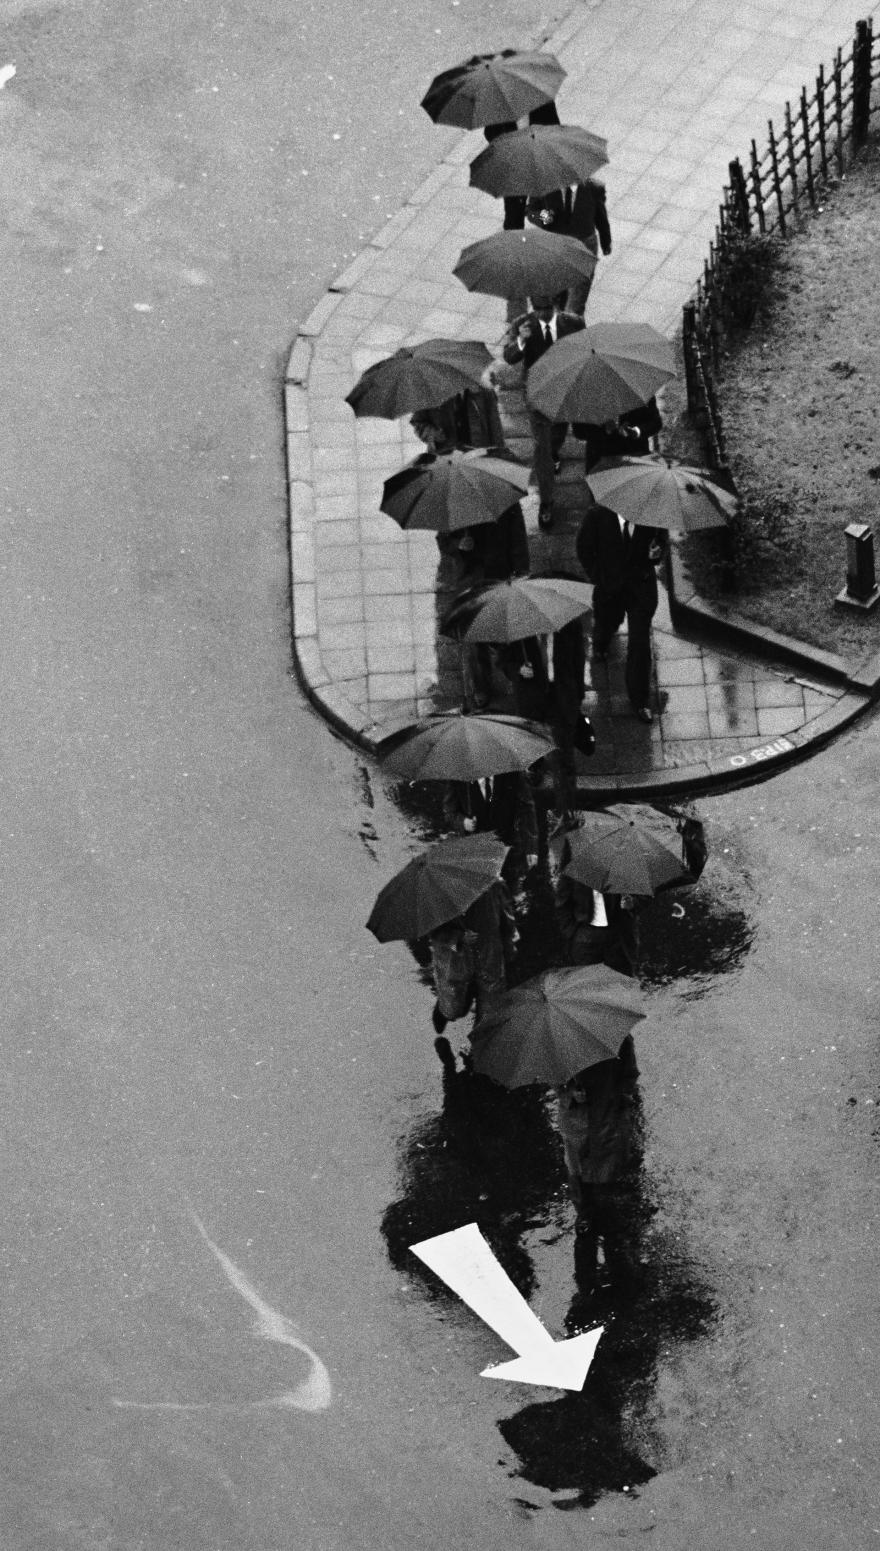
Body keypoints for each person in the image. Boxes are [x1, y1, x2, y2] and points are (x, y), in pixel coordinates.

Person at [554, 1038, 641, 1297]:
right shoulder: (558, 1042)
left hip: (607, 1125)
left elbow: (630, 1076)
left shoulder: (619, 1039)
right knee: (580, 1183)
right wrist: (570, 1092)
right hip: (578, 1127)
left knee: (606, 1187)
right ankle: (587, 1222)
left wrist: (619, 1097)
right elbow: (554, 1081)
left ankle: (612, 1243)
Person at [576, 501, 668, 723]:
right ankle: (600, 644)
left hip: (640, 588)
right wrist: (599, 577)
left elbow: (661, 545)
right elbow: (584, 549)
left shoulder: (652, 515)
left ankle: (639, 699)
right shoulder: (597, 516)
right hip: (609, 588)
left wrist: (656, 553)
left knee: (640, 644)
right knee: (607, 622)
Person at [502, 297, 585, 530]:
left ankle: (555, 452)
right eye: (538, 309)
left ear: (555, 307)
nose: (542, 315)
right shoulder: (523, 324)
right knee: (542, 449)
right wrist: (521, 340)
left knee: (558, 432)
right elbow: (509, 357)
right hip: (537, 396)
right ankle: (546, 502)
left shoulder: (574, 324)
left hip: (564, 391)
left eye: (547, 309)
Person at [428, 877, 519, 1031]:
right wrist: (459, 938)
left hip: (489, 957)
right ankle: (443, 1014)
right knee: (454, 1004)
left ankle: (479, 1042)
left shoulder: (495, 886)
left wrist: (509, 945)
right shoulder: (443, 892)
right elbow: (434, 932)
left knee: (490, 1010)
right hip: (458, 961)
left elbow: (507, 919)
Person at [581, 396, 663, 475]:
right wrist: (603, 427)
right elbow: (579, 431)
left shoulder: (640, 391)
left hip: (634, 456)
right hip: (601, 458)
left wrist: (637, 431)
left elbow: (656, 423)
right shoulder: (591, 393)